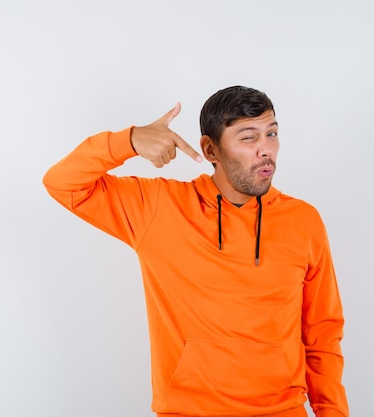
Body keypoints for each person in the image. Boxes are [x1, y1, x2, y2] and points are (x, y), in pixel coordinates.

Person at [43, 86, 349, 417]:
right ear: (210, 149)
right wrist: (128, 141)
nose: (266, 150)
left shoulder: (303, 220)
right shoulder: (158, 207)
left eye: (271, 134)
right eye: (249, 138)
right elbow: (63, 183)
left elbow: (322, 333)